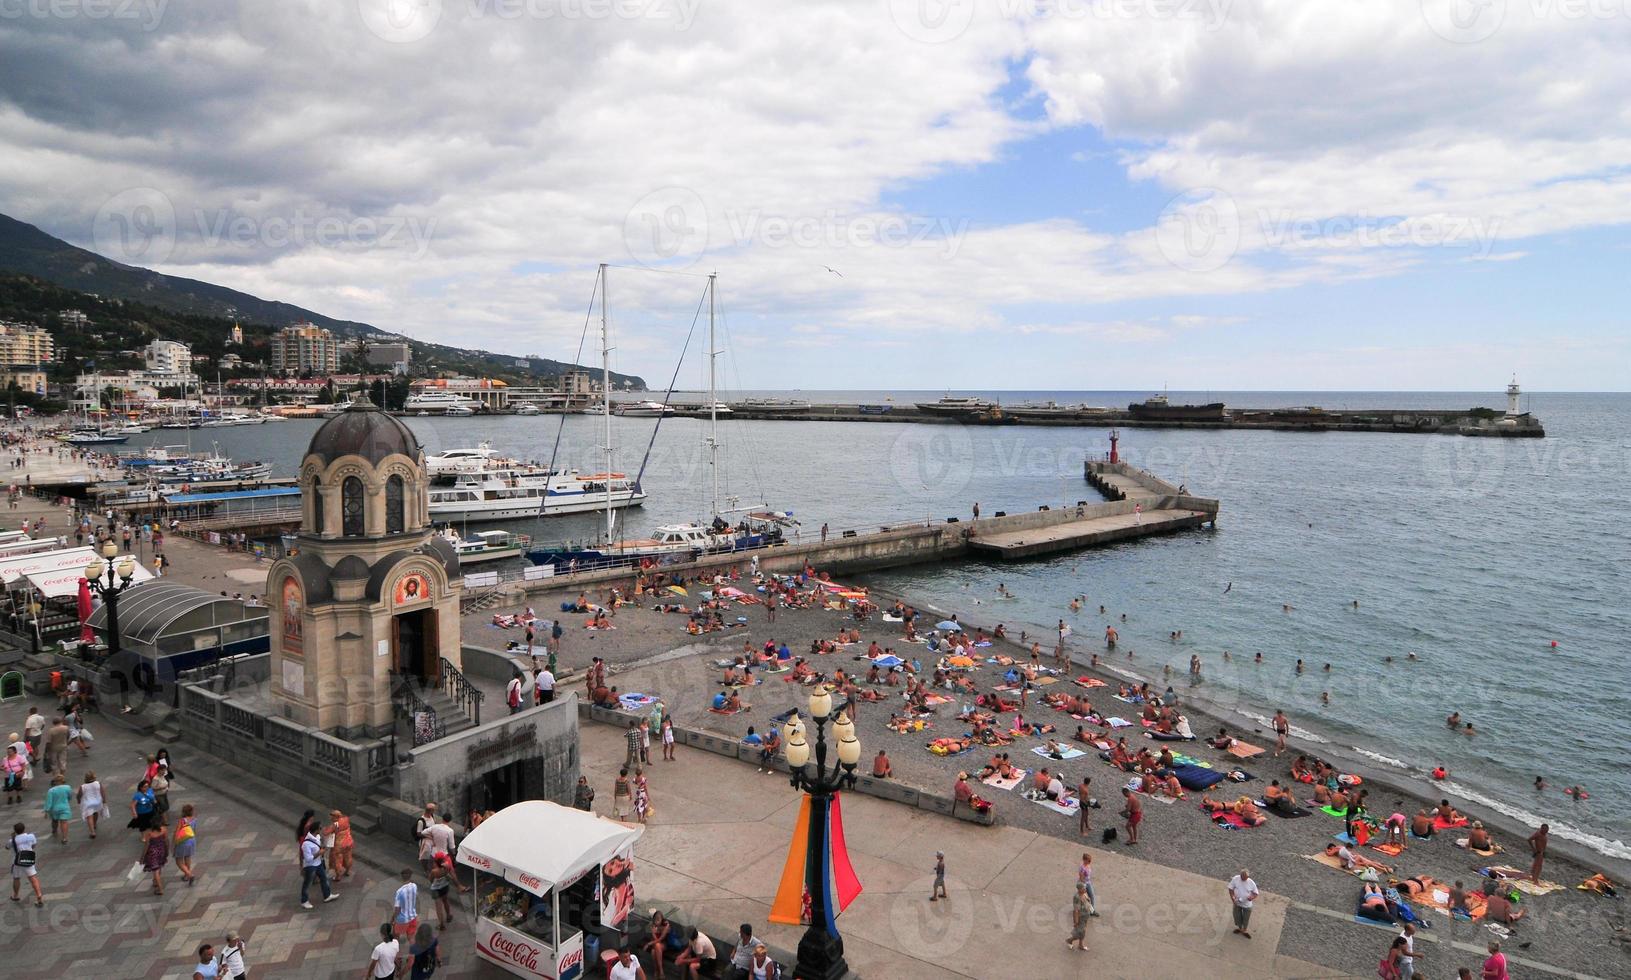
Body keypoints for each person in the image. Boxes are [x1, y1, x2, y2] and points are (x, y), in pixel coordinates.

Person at [298, 823, 336, 909]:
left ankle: (327, 895)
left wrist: (323, 847)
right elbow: (308, 859)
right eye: (320, 828)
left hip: (318, 863)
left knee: (324, 878)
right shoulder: (306, 844)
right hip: (310, 866)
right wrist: (319, 853)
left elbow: (319, 846)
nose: (322, 829)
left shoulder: (317, 837)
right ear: (316, 830)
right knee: (307, 883)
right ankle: (304, 901)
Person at [7, 820, 42, 907]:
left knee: (16, 878)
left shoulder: (13, 840)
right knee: (33, 878)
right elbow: (34, 845)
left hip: (17, 861)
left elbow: (7, 847)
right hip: (29, 859)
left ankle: (15, 895)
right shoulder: (31, 836)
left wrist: (13, 838)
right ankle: (39, 896)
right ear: (24, 829)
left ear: (15, 831)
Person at [428, 850, 457, 928]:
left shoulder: (434, 871)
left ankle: (441, 924)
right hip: (445, 887)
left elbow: (430, 880)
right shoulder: (447, 866)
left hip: (436, 889)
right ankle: (448, 915)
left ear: (435, 861)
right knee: (445, 901)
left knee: (438, 907)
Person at [141, 817, 170, 895]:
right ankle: (155, 881)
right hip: (162, 850)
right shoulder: (164, 829)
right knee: (159, 866)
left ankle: (160, 889)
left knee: (155, 870)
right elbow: (166, 841)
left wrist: (142, 857)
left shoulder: (149, 833)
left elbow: (146, 846)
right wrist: (167, 850)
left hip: (153, 853)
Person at [1227, 868, 1259, 938]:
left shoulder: (1251, 883)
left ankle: (1244, 930)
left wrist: (1251, 897)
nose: (1243, 879)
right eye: (1242, 877)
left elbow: (1256, 893)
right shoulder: (1236, 879)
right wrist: (1232, 897)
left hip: (1247, 905)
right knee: (1237, 917)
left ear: (1248, 877)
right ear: (1240, 875)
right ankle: (1239, 928)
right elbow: (1230, 888)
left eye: (1245, 878)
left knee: (1246, 918)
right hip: (1237, 903)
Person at [43, 773, 73, 844]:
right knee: (64, 822)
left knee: (54, 820)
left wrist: (46, 811)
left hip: (54, 809)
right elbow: (70, 796)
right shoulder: (67, 787)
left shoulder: (51, 790)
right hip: (64, 807)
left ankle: (54, 830)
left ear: (55, 781)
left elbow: (49, 802)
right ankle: (64, 838)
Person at [173, 803, 198, 885]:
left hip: (183, 841)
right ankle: (187, 875)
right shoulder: (194, 819)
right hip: (192, 840)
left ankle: (189, 874)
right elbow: (194, 831)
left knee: (178, 861)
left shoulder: (182, 820)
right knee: (188, 857)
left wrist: (175, 842)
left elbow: (177, 832)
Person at [643, 909, 674, 975]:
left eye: (658, 920)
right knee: (653, 952)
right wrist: (653, 932)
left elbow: (661, 939)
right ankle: (657, 970)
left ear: (662, 919)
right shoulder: (653, 925)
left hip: (665, 943)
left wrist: (648, 944)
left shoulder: (666, 925)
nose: (656, 922)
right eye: (655, 920)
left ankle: (660, 970)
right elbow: (655, 939)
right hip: (656, 943)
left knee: (656, 946)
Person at [326, 809, 354, 879]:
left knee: (337, 860)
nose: (331, 818)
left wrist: (324, 830)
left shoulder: (335, 824)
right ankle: (347, 871)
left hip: (339, 846)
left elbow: (326, 833)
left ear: (336, 817)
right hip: (348, 842)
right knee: (348, 857)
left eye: (332, 817)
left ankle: (338, 876)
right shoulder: (346, 819)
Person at [393, 867, 420, 940]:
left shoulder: (399, 891)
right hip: (413, 917)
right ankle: (413, 950)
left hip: (402, 919)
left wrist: (393, 919)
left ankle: (396, 948)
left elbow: (397, 909)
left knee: (395, 935)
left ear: (402, 877)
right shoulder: (414, 886)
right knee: (411, 938)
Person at [78, 771, 104, 838]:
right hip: (97, 802)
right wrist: (104, 800)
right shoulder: (98, 783)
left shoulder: (83, 786)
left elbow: (79, 795)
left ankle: (92, 832)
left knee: (89, 816)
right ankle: (94, 824)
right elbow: (102, 792)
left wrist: (78, 800)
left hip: (88, 803)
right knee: (95, 812)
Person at [1067, 881, 1090, 951]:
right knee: (1080, 932)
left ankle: (1080, 945)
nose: (1085, 889)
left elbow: (1087, 900)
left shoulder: (1084, 893)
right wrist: (1076, 922)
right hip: (1081, 918)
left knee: (1083, 931)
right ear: (1079, 889)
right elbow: (1076, 911)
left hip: (1085, 916)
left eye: (1085, 888)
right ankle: (1070, 940)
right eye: (1083, 888)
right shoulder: (1077, 897)